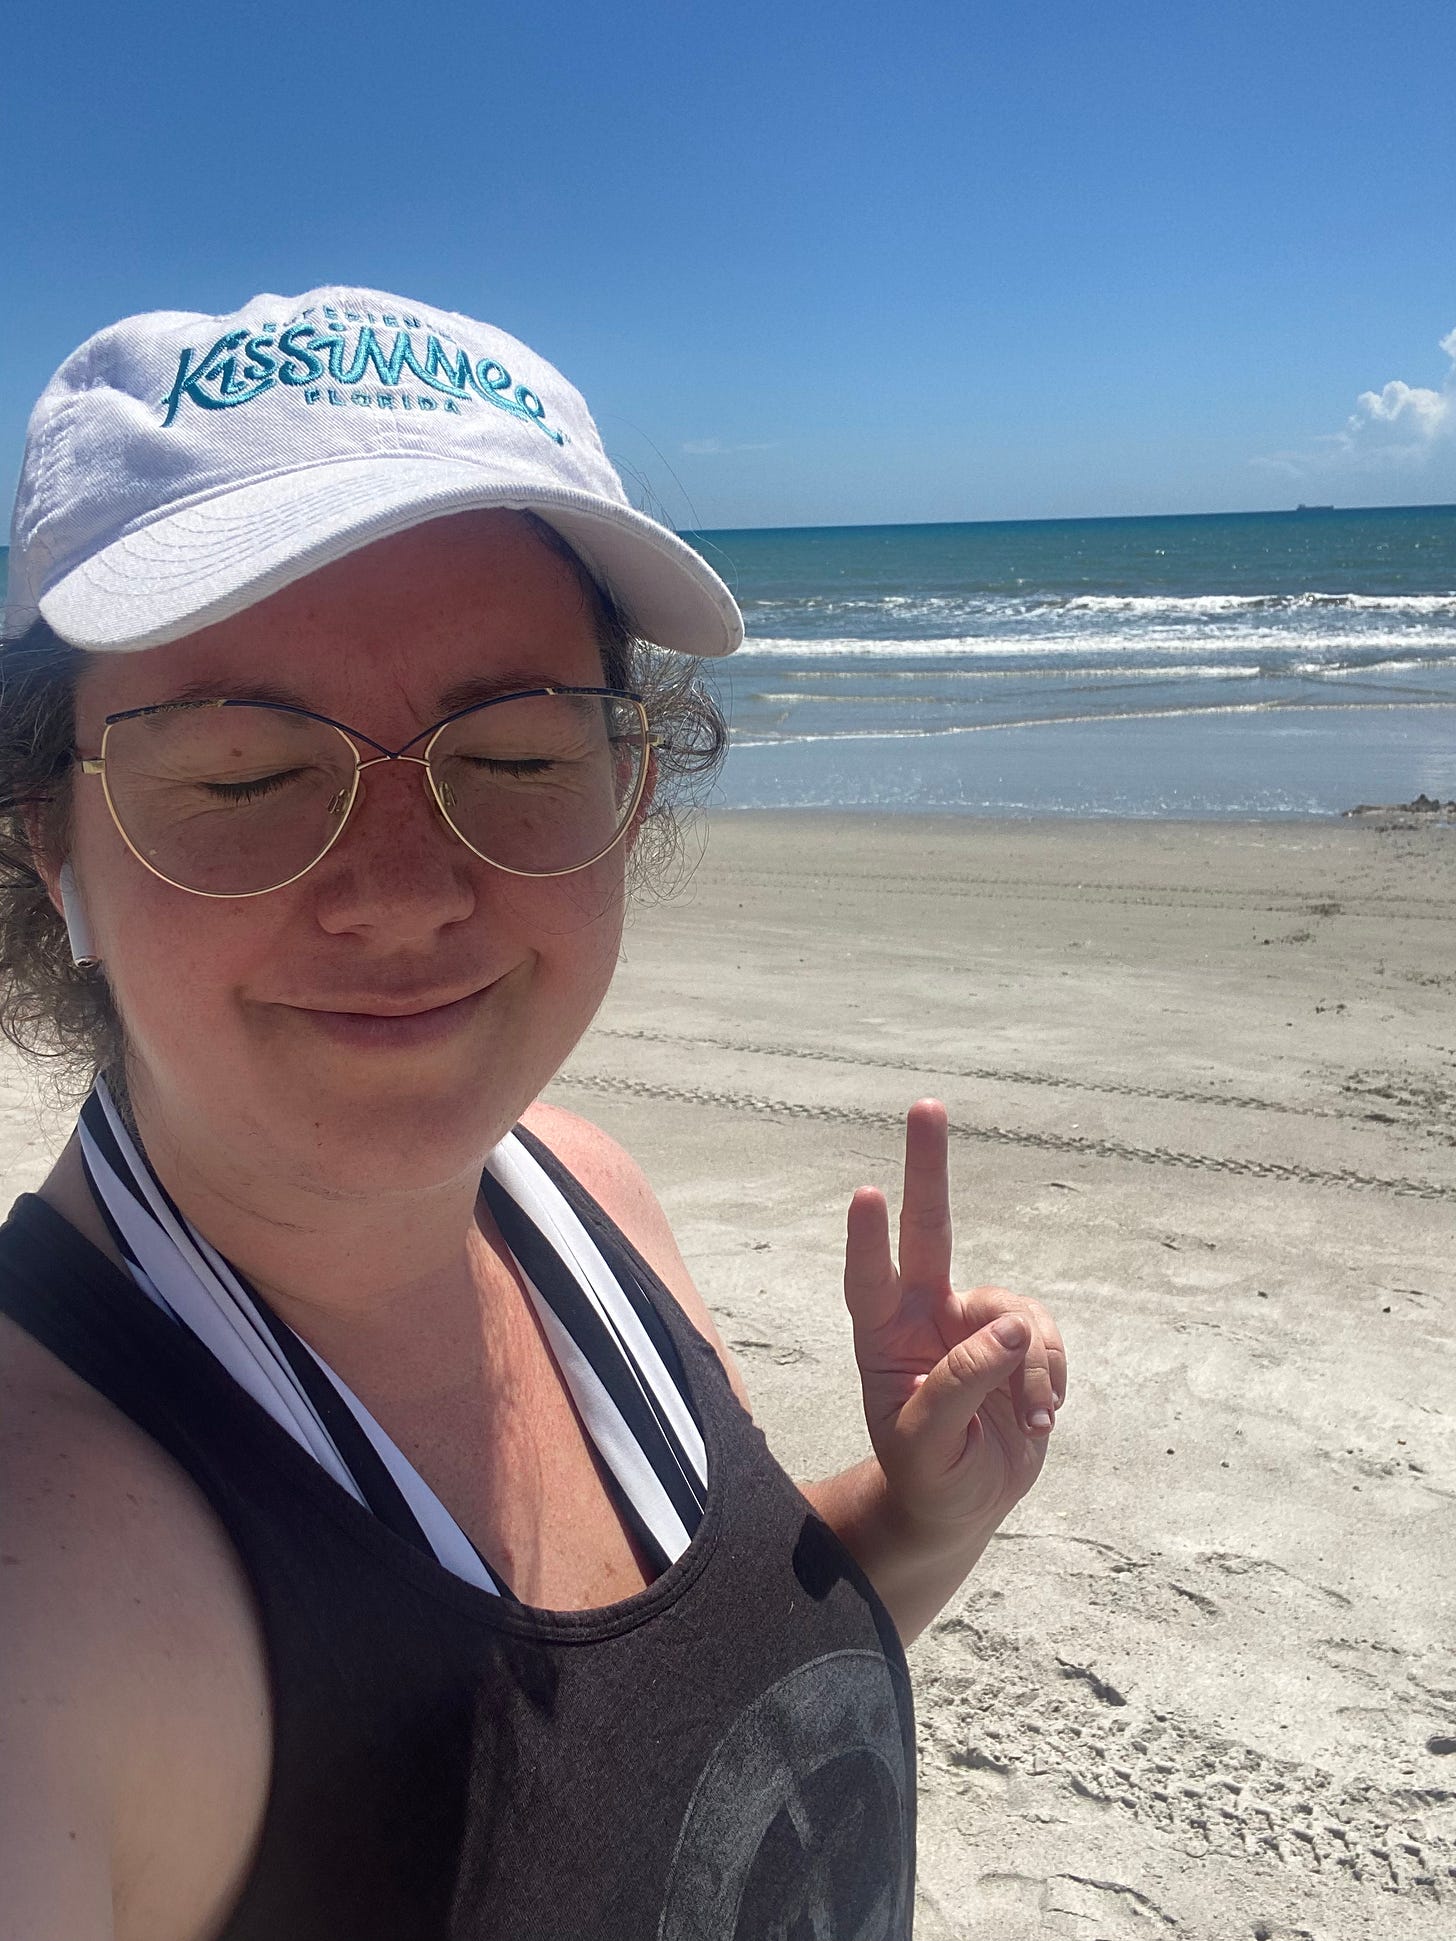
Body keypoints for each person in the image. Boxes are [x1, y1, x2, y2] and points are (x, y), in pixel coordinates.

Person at [0, 286, 1066, 1940]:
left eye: (513, 754)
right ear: (51, 845)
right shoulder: (49, 1582)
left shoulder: (586, 1188)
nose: (405, 891)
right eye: (241, 775)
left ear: (631, 780)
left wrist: (919, 1517)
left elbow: (671, 1739)